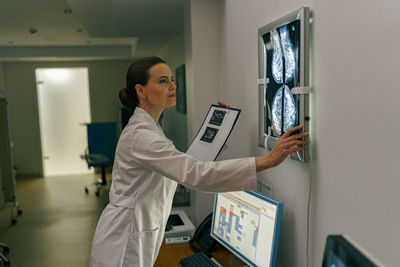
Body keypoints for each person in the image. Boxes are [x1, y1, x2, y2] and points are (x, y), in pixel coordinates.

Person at [90, 56, 308, 267]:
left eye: (172, 79)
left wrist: (218, 130)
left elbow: (186, 165)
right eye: (163, 81)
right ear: (141, 90)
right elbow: (194, 174)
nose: (172, 86)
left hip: (137, 229)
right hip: (124, 238)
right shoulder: (141, 135)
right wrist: (267, 161)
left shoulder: (151, 129)